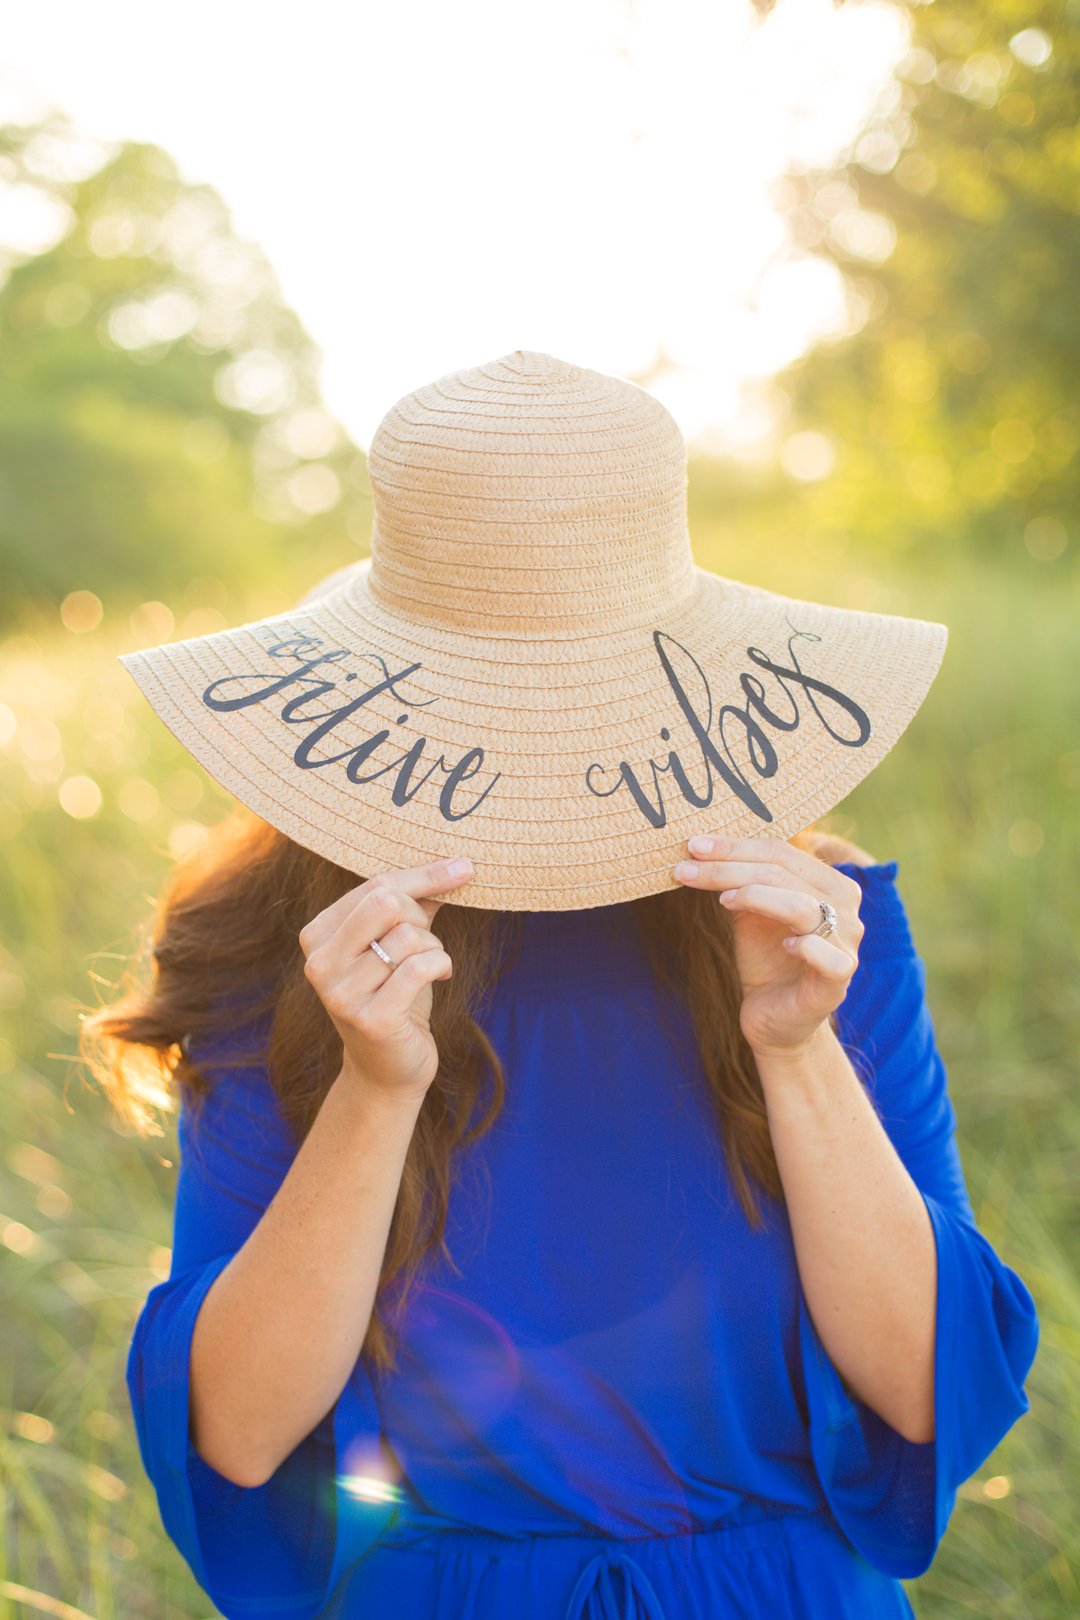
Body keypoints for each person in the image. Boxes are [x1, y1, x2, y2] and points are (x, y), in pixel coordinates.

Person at [82, 351, 1039, 1619]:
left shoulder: (821, 933)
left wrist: (798, 1051)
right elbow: (243, 1434)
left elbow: (929, 1391)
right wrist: (377, 1091)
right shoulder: (276, 953)